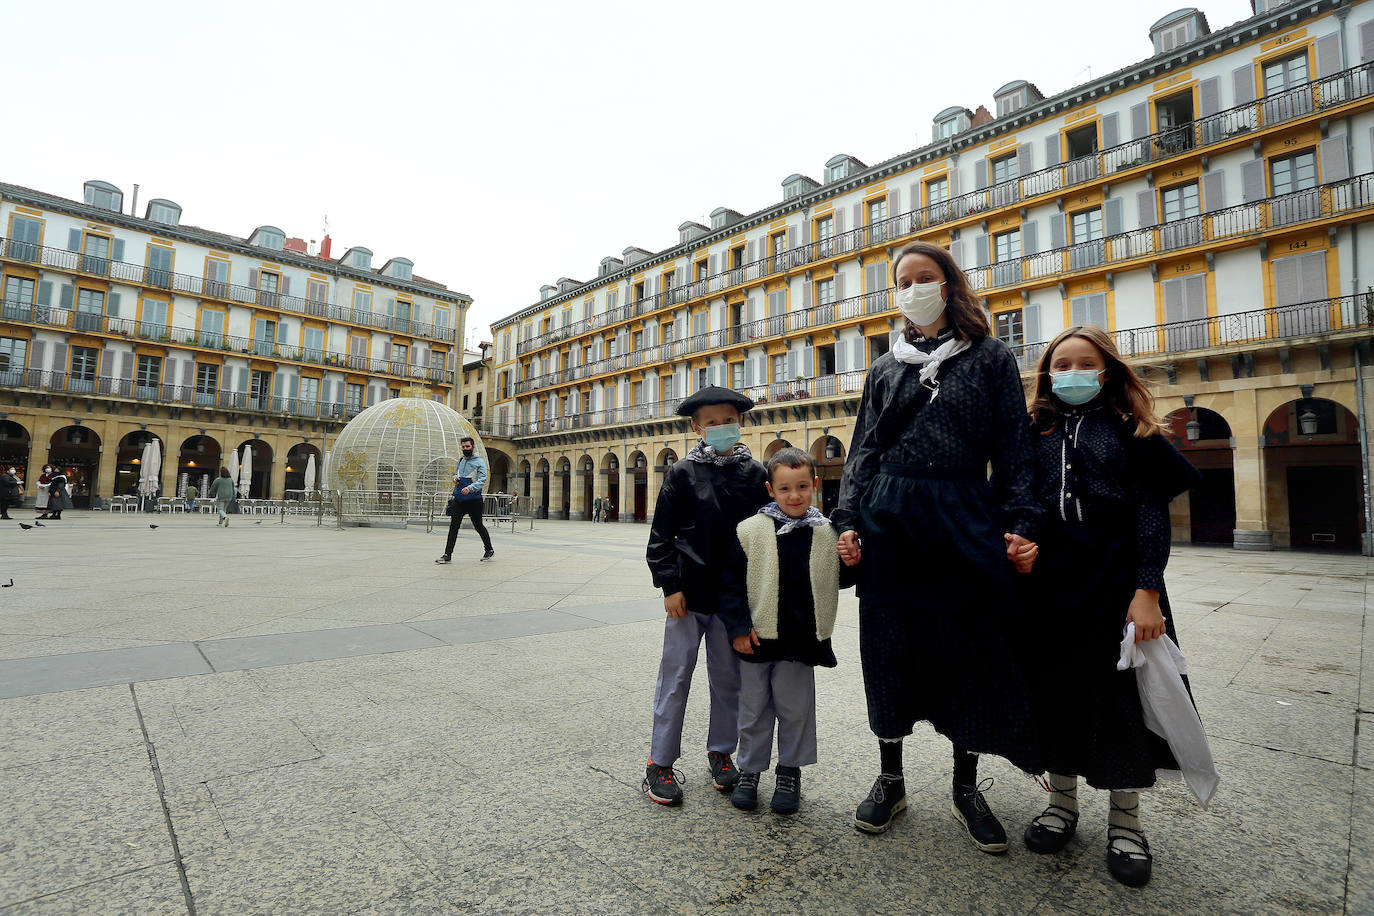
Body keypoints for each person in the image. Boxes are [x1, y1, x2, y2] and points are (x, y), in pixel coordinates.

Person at [833, 241, 1042, 852]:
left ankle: (965, 786)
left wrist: (1023, 521)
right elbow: (863, 449)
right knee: (888, 645)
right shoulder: (883, 368)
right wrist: (849, 517)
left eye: (926, 277)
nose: (914, 287)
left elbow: (1013, 448)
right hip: (890, 518)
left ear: (949, 285)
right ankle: (890, 777)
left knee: (967, 647)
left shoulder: (990, 358)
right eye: (904, 280)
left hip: (959, 514)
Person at [1018, 325, 1202, 888]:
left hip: (1117, 582)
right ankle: (1062, 804)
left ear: (1107, 370)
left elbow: (1151, 513)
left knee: (1123, 698)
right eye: (1060, 363)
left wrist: (1147, 589)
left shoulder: (1133, 429)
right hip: (1050, 581)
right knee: (1056, 690)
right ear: (1048, 373)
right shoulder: (1035, 430)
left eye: (1083, 363)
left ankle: (1126, 821)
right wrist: (1021, 540)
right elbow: (1021, 500)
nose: (1070, 372)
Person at [643, 385, 770, 805]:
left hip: (733, 599)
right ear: (696, 427)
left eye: (727, 421)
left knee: (728, 679)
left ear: (741, 423)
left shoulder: (756, 474)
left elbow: (766, 533)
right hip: (688, 595)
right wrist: (669, 585)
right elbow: (661, 535)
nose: (720, 428)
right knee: (675, 676)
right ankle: (659, 762)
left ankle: (721, 753)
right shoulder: (681, 473)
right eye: (711, 423)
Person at [719, 447, 857, 815]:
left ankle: (789, 771)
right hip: (757, 639)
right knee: (752, 709)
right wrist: (737, 628)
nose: (794, 496)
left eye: (801, 487)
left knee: (795, 709)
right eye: (784, 489)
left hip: (801, 641)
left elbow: (840, 577)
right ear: (770, 490)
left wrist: (854, 560)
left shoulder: (826, 532)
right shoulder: (750, 531)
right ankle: (750, 770)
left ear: (813, 485)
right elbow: (730, 584)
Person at [437, 436, 494, 564]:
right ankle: (447, 554)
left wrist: (470, 488)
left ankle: (489, 549)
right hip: (459, 499)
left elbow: (482, 480)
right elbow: (456, 474)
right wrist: (455, 478)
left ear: (473, 447)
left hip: (474, 500)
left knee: (478, 526)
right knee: (454, 526)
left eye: (467, 446)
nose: (465, 449)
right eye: (463, 447)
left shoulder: (479, 462)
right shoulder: (461, 460)